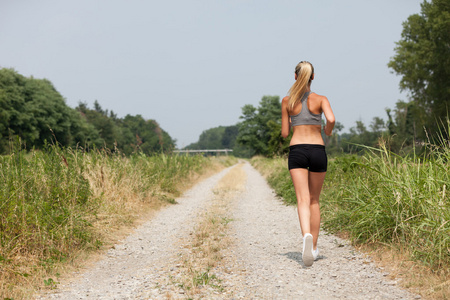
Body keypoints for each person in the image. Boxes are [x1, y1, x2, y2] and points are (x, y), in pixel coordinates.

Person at [281, 61, 335, 267]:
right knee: (314, 200)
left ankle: (306, 236)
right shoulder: (321, 99)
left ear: (295, 77)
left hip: (297, 151)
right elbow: (331, 119)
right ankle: (313, 247)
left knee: (302, 199)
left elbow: (285, 133)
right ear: (313, 77)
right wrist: (327, 131)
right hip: (317, 150)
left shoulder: (287, 101)